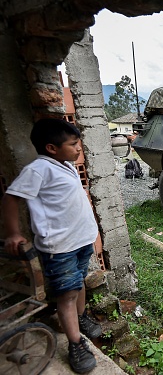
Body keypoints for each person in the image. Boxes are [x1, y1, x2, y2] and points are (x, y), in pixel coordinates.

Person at [1, 118, 101, 373]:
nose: (79, 148)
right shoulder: (38, 170)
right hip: (60, 246)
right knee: (66, 295)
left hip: (80, 241)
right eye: (73, 144)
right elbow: (11, 198)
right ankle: (76, 343)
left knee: (79, 283)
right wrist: (14, 233)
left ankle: (80, 318)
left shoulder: (64, 164)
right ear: (51, 147)